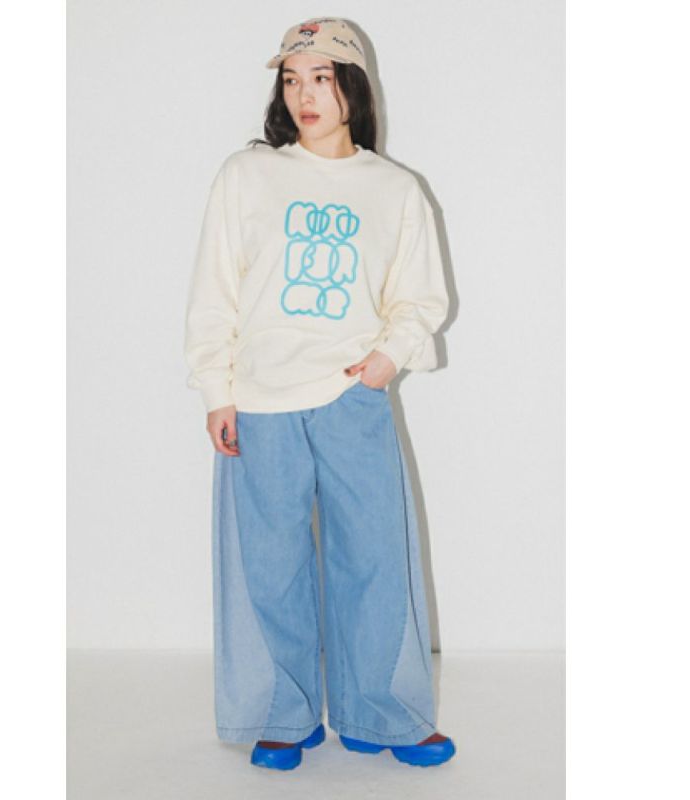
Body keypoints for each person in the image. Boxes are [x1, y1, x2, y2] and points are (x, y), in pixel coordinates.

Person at [184, 17, 456, 771]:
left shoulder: (394, 188)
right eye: (291, 79)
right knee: (270, 567)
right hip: (259, 400)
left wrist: (385, 361)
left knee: (375, 559)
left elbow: (419, 297)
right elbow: (214, 290)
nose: (304, 95)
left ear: (354, 88)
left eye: (322, 78)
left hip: (350, 399)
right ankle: (284, 712)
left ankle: (382, 713)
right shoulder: (247, 175)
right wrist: (216, 389)